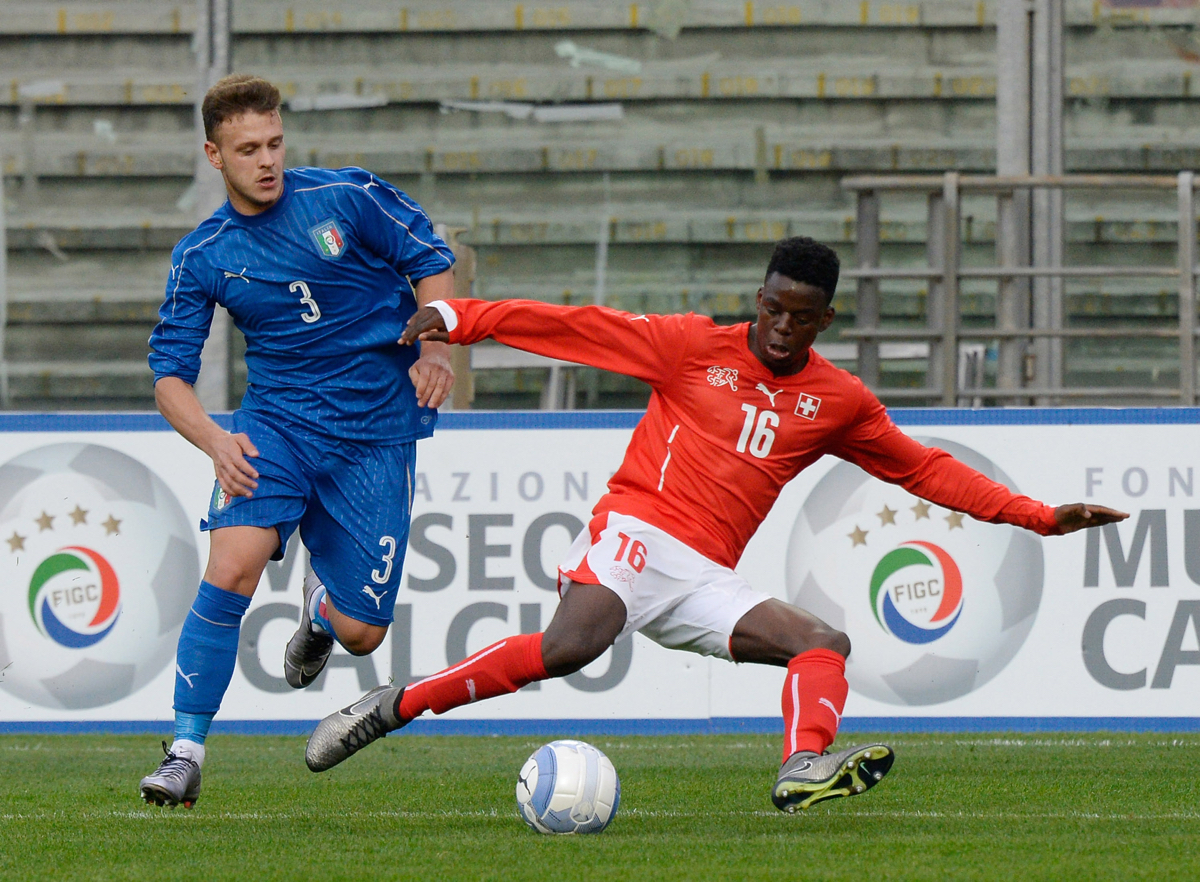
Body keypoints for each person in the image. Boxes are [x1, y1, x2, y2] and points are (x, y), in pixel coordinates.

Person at [304, 236, 1127, 812]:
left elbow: (923, 469)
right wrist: (461, 319)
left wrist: (1039, 518)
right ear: (759, 298)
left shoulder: (838, 402)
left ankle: (802, 765)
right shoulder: (691, 347)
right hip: (635, 529)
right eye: (771, 307)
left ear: (824, 323)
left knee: (823, 645)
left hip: (702, 575)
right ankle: (394, 705)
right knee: (571, 647)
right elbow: (578, 329)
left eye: (798, 317)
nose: (778, 325)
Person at [139, 74, 456, 808]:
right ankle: (184, 753)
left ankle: (318, 611)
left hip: (375, 433)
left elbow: (430, 262)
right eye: (249, 148)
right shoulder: (204, 255)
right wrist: (217, 441)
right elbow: (168, 380)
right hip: (274, 426)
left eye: (276, 142)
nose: (268, 160)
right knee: (233, 565)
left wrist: (438, 348)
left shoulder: (346, 199)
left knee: (364, 633)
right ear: (215, 155)